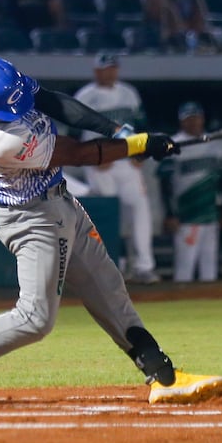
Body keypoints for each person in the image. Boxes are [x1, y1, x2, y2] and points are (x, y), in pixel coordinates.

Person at [0, 56, 222, 409]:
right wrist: (140, 145)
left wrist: (116, 130)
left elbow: (51, 101)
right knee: (35, 319)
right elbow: (77, 154)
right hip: (32, 219)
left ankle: (164, 378)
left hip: (62, 204)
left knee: (109, 290)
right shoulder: (1, 142)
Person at [73, 54, 159, 283]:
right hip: (100, 162)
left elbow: (141, 124)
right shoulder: (85, 95)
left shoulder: (129, 92)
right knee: (108, 214)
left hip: (126, 158)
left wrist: (141, 151)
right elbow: (75, 131)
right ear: (96, 71)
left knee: (140, 210)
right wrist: (93, 155)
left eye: (113, 68)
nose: (110, 72)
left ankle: (144, 267)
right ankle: (113, 266)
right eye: (105, 68)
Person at [157, 103, 222, 283]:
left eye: (196, 117)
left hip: (210, 212)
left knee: (209, 267)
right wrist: (169, 214)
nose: (193, 122)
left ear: (203, 119)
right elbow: (164, 184)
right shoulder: (173, 145)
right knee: (185, 267)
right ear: (181, 121)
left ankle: (210, 308)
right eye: (188, 119)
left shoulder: (214, 145)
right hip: (186, 214)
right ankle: (180, 304)